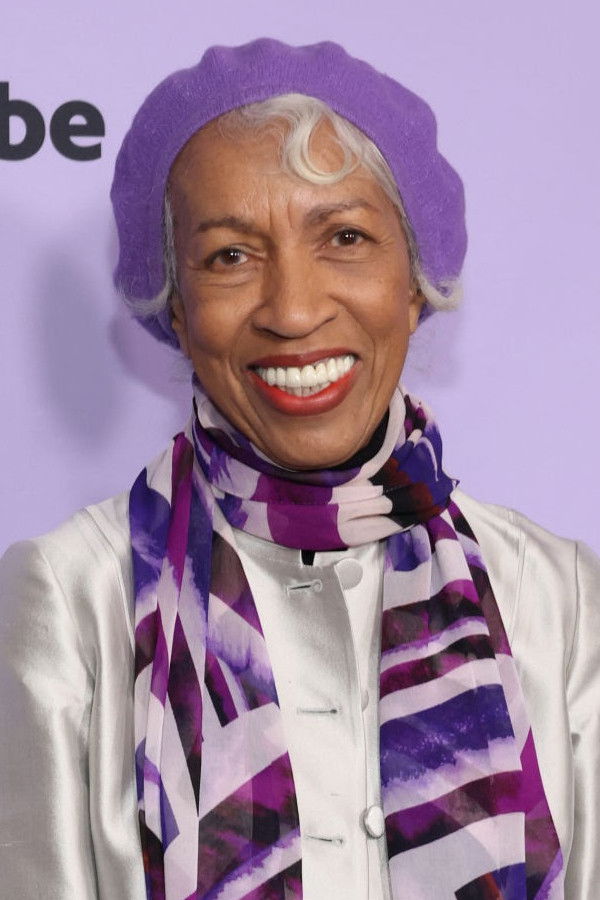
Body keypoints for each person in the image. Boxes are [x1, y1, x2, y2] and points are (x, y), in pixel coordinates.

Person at [0, 37, 598, 900]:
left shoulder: (557, 595)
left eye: (345, 237)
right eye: (230, 256)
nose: (293, 309)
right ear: (178, 307)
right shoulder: (69, 597)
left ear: (415, 282)